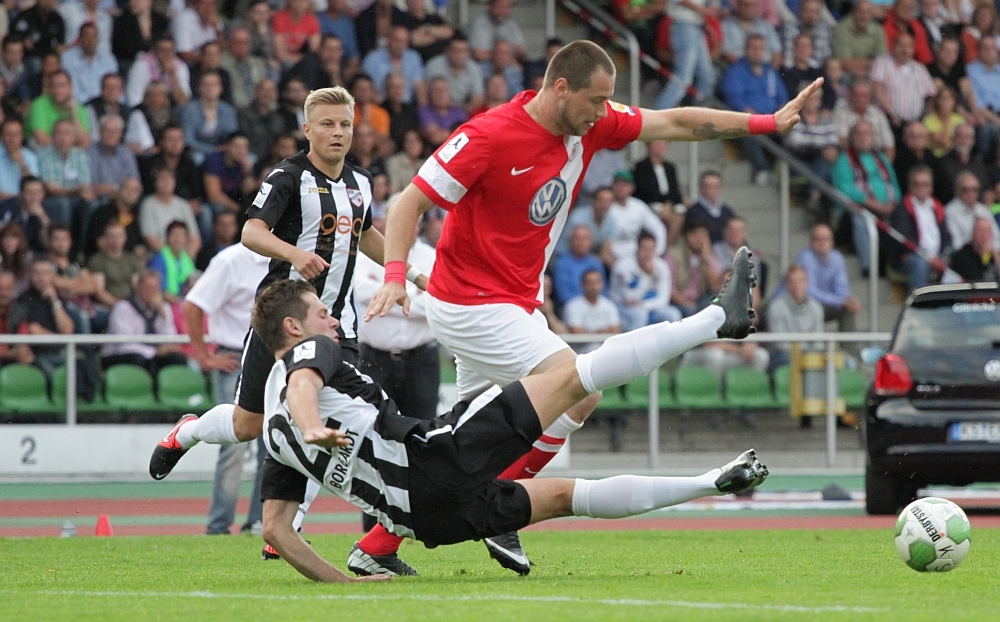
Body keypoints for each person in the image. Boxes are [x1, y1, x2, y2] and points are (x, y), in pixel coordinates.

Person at [364, 39, 816, 576]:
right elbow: (409, 202)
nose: (604, 112)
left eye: (607, 101)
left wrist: (766, 122)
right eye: (596, 100)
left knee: (467, 453)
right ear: (561, 89)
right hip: (467, 303)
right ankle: (503, 504)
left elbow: (676, 122)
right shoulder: (488, 135)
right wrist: (396, 275)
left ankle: (377, 547)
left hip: (514, 305)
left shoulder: (591, 125)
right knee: (579, 388)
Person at [256, 263, 763, 581]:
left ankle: (711, 482)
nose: (333, 320)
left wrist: (344, 586)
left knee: (567, 498)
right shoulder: (310, 353)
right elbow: (303, 385)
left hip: (423, 519)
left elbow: (277, 529)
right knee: (574, 379)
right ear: (293, 327)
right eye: (322, 314)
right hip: (436, 458)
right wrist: (312, 424)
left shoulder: (271, 430)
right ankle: (718, 320)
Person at [147, 86, 428, 564]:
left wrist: (412, 274)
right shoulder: (288, 176)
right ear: (307, 130)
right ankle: (188, 432)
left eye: (345, 124)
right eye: (327, 124)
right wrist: (295, 253)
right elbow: (251, 231)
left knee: (324, 420)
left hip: (338, 327)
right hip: (281, 321)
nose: (338, 132)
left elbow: (366, 236)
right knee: (246, 425)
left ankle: (288, 525)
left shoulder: (361, 181)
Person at [183, 241, 270, 536]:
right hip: (235, 358)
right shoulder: (231, 260)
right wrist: (204, 356)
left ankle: (259, 521)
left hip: (271, 357)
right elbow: (193, 305)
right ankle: (219, 524)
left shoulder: (288, 255)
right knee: (234, 444)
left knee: (272, 443)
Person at [353, 213, 439, 421]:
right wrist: (413, 293)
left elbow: (435, 302)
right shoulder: (367, 255)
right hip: (375, 359)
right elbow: (361, 291)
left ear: (419, 226)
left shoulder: (432, 256)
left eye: (411, 222)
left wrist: (384, 294)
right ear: (387, 223)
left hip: (420, 360)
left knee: (422, 426)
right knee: (373, 424)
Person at [830, 120, 900, 276]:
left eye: (867, 133)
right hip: (855, 212)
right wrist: (875, 205)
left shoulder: (881, 158)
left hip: (887, 209)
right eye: (859, 133)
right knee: (862, 218)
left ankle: (894, 265)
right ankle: (870, 268)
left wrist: (893, 204)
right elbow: (845, 189)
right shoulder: (844, 159)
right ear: (852, 137)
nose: (863, 137)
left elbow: (894, 185)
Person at [721, 33, 789, 185]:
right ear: (746, 50)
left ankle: (785, 176)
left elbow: (782, 98)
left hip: (772, 121)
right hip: (749, 121)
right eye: (754, 48)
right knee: (751, 131)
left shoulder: (770, 72)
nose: (758, 52)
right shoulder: (736, 71)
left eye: (761, 48)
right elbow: (735, 99)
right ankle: (761, 171)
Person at [101, 269, 186, 373]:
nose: (151, 292)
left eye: (155, 288)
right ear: (138, 288)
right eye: (147, 287)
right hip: (119, 354)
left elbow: (170, 338)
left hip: (151, 353)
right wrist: (154, 352)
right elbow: (124, 344)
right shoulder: (123, 307)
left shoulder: (163, 307)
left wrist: (164, 317)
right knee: (139, 360)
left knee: (177, 359)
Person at [8, 256, 75, 380]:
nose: (41, 277)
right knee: (53, 374)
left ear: (53, 275)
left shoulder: (58, 298)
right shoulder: (23, 300)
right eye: (37, 273)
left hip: (58, 353)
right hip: (37, 354)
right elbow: (34, 330)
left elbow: (67, 330)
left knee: (80, 368)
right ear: (30, 275)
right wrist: (62, 339)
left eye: (45, 273)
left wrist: (54, 301)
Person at [887, 164, 951, 292]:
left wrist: (943, 256)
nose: (921, 188)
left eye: (925, 184)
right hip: (911, 257)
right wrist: (930, 259)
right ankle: (919, 302)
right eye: (916, 184)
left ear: (931, 187)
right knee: (921, 263)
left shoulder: (937, 207)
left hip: (937, 257)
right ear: (910, 186)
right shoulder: (902, 209)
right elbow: (905, 241)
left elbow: (947, 237)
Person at [794, 223, 859, 334]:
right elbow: (809, 291)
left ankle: (848, 345)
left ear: (832, 241)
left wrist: (847, 300)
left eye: (825, 239)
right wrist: (839, 301)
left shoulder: (837, 258)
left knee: (847, 308)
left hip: (822, 304)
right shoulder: (805, 258)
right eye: (818, 239)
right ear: (811, 242)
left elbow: (842, 288)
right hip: (802, 305)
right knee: (812, 306)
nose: (822, 242)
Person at [609, 231, 681, 332]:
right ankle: (636, 342)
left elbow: (663, 299)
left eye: (651, 249)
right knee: (640, 314)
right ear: (637, 249)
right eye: (645, 249)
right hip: (621, 307)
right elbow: (629, 299)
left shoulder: (662, 267)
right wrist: (646, 275)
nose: (648, 253)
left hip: (648, 306)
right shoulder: (623, 267)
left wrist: (644, 305)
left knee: (673, 314)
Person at [765, 264, 824, 370]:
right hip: (782, 355)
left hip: (810, 354)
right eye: (792, 281)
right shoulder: (776, 307)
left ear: (806, 282)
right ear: (786, 284)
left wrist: (808, 354)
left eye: (800, 281)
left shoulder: (816, 307)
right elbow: (780, 344)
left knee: (842, 361)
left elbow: (818, 341)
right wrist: (802, 353)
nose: (796, 285)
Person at [606, 169, 666, 263]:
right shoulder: (606, 207)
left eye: (625, 184)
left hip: (637, 258)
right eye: (618, 184)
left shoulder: (638, 206)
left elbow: (658, 228)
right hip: (614, 258)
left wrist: (656, 253)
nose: (621, 188)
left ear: (632, 188)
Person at [563, 269, 620, 352]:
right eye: (590, 283)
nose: (594, 286)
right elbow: (578, 334)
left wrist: (590, 333)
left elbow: (615, 331)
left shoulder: (609, 305)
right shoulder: (573, 306)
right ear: (583, 285)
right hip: (581, 351)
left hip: (607, 350)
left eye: (597, 282)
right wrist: (602, 332)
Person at [87, 221, 143, 301]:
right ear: (105, 238)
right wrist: (119, 306)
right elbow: (100, 293)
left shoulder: (131, 258)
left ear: (125, 238)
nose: (116, 240)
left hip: (130, 303)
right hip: (107, 304)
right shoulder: (97, 260)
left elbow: (138, 285)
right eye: (112, 236)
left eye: (119, 235)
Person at [551, 224, 605, 309]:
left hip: (597, 307)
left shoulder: (596, 263)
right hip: (572, 308)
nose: (581, 242)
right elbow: (563, 294)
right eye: (578, 238)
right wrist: (585, 305)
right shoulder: (561, 264)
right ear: (571, 241)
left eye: (585, 238)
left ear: (591, 241)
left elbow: (604, 290)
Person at [945, 170, 998, 250]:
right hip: (965, 254)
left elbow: (997, 237)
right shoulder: (949, 212)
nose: (970, 193)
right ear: (957, 190)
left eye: (974, 189)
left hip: (989, 252)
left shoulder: (983, 210)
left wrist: (992, 249)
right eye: (965, 189)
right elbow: (956, 243)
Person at [684, 170, 736, 244]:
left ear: (720, 188)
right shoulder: (693, 212)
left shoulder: (727, 211)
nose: (712, 190)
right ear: (701, 187)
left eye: (715, 186)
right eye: (708, 186)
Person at [949, 216, 998, 282]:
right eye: (980, 230)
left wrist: (994, 253)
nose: (984, 235)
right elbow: (974, 278)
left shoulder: (994, 255)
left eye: (987, 230)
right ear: (973, 233)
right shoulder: (962, 255)